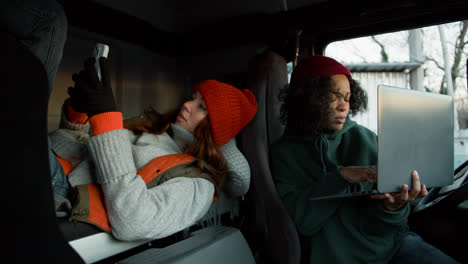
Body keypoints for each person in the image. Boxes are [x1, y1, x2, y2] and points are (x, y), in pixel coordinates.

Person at [270, 55, 459, 263]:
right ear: (306, 97)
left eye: (347, 98)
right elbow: (301, 222)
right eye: (333, 96)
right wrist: (341, 177)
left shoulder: (365, 139)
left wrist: (393, 207)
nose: (344, 107)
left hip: (391, 246)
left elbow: (380, 225)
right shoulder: (284, 154)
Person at [48, 57, 257, 241]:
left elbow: (133, 221)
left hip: (64, 188)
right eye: (193, 98)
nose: (186, 104)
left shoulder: (199, 185)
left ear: (214, 128)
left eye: (201, 107)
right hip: (56, 160)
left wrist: (106, 120)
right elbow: (83, 151)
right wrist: (78, 114)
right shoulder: (156, 130)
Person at [1, 0, 70, 215]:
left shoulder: (165, 153)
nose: (179, 106)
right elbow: (74, 137)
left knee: (51, 21)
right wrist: (79, 111)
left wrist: (107, 120)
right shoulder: (136, 130)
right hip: (47, 153)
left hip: (51, 180)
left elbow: (129, 210)